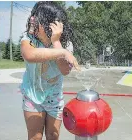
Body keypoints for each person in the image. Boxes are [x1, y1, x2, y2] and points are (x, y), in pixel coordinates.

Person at [19, 2, 80, 140]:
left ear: (49, 25)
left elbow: (64, 70)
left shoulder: (65, 44)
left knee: (53, 135)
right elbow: (29, 55)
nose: (32, 20)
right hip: (32, 95)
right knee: (35, 136)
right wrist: (62, 53)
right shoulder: (29, 40)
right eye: (32, 17)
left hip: (54, 97)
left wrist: (56, 42)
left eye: (36, 18)